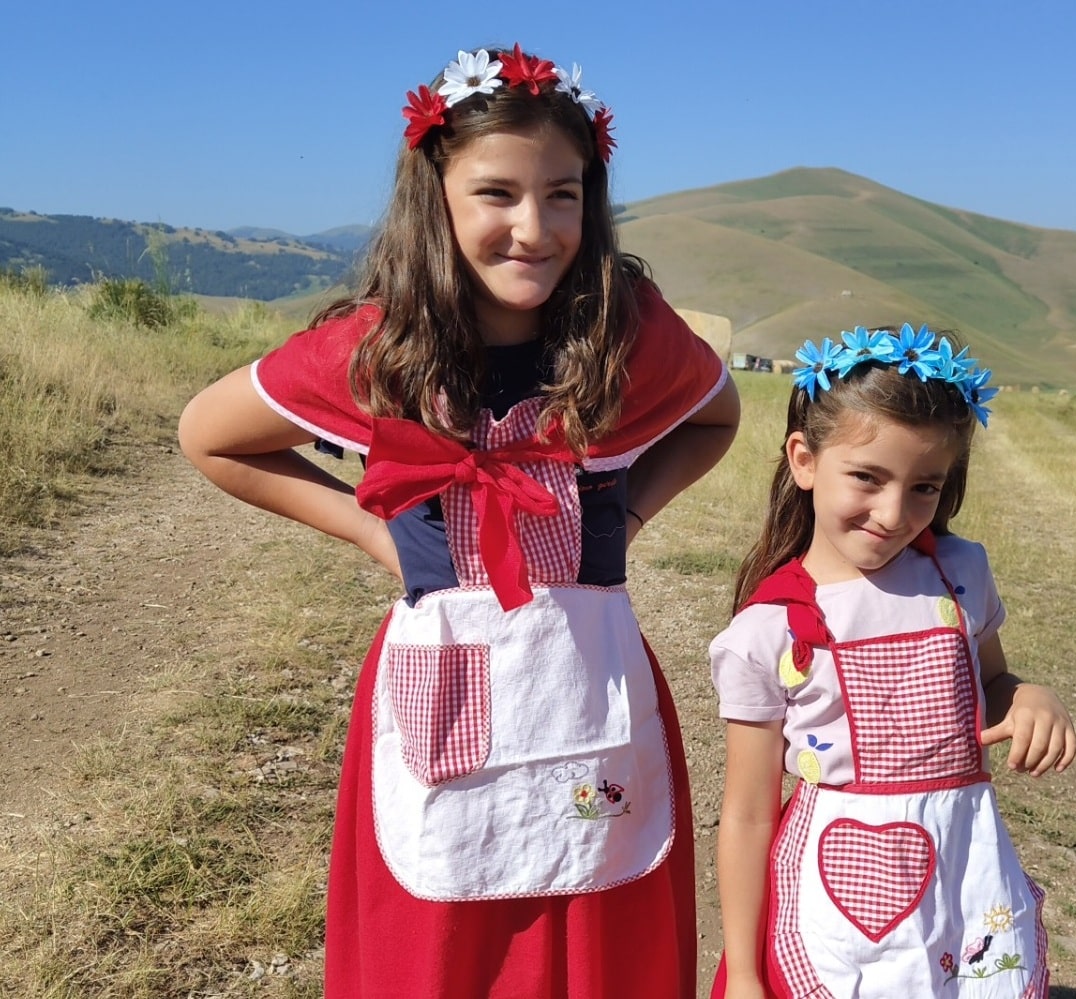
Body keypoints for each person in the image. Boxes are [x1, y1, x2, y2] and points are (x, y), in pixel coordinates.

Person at [178, 42, 739, 999]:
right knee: (435, 943)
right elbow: (211, 435)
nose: (534, 226)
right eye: (497, 194)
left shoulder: (626, 334)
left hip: (589, 690)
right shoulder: (380, 349)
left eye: (562, 194)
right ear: (434, 196)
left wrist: (630, 513)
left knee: (597, 925)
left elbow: (718, 415)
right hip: (442, 688)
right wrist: (373, 530)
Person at [708, 325, 1075, 998]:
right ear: (803, 459)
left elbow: (990, 679)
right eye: (866, 478)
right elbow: (748, 813)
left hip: (962, 871)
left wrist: (1027, 695)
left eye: (923, 487)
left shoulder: (960, 574)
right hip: (832, 890)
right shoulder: (764, 633)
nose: (893, 512)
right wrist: (744, 971)